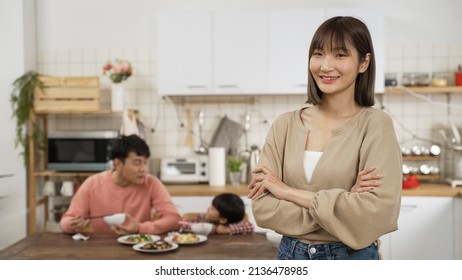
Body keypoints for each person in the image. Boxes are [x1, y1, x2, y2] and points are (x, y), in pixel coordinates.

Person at [247, 16, 402, 260]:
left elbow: (377, 214)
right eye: (318, 54)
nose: (325, 66)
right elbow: (264, 209)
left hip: (351, 257)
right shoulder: (284, 126)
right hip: (291, 255)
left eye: (340, 55)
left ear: (364, 62)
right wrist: (344, 206)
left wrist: (287, 192)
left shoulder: (375, 125)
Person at [60, 134, 181, 235]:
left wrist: (140, 228)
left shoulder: (151, 183)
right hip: (101, 251)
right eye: (137, 163)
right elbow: (66, 221)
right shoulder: (93, 184)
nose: (144, 169)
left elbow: (174, 219)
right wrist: (72, 225)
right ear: (118, 164)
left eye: (145, 163)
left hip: (139, 247)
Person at [179, 193, 254, 235]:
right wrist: (200, 228)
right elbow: (183, 226)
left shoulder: (236, 222)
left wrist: (227, 229)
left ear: (223, 219)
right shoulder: (205, 218)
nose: (208, 209)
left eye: (212, 209)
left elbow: (250, 227)